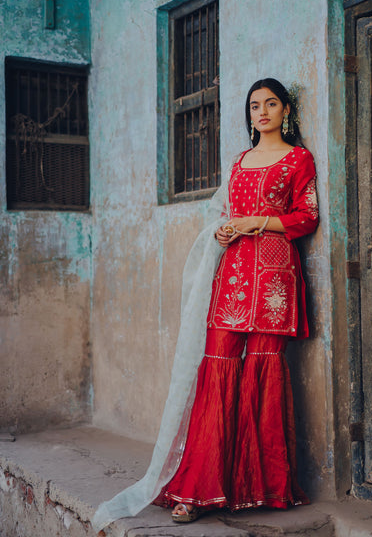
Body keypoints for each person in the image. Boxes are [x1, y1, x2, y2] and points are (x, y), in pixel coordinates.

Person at [92, 78, 318, 532]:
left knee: (264, 371)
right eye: (255, 105)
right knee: (217, 369)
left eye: (271, 103)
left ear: (286, 110)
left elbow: (306, 217)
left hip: (274, 276)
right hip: (233, 275)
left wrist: (255, 222)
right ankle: (198, 488)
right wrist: (223, 231)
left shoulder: (299, 159)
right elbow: (225, 213)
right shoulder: (239, 161)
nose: (262, 112)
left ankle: (262, 487)